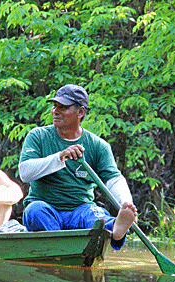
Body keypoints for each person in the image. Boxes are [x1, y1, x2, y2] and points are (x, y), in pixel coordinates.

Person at [19, 84, 137, 250]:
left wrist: (126, 204)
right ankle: (61, 247)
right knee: (35, 211)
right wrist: (60, 157)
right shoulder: (38, 135)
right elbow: (25, 173)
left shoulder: (98, 145)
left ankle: (116, 230)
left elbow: (113, 179)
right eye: (55, 106)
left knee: (98, 216)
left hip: (80, 210)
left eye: (63, 107)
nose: (56, 111)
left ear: (81, 112)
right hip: (46, 207)